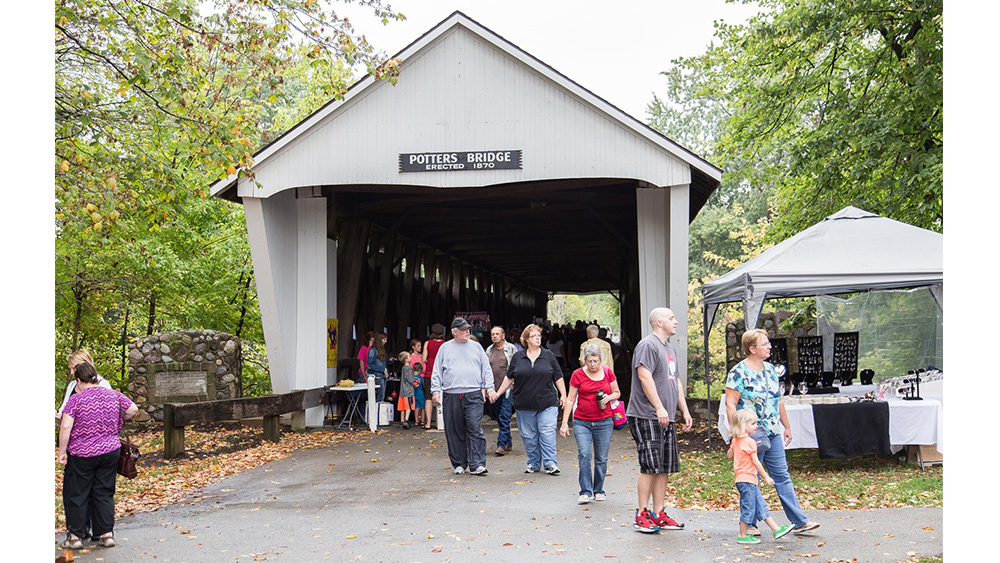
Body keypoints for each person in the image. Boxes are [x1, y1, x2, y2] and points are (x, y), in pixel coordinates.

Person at [725, 328, 820, 536]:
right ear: (752, 349)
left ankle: (800, 521)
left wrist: (786, 426)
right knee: (751, 478)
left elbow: (778, 400)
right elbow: (730, 403)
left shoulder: (770, 370)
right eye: (765, 343)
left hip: (773, 430)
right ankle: (750, 524)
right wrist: (737, 431)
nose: (770, 346)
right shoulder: (738, 372)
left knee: (781, 475)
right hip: (750, 433)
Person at [626, 307, 693, 533]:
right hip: (647, 414)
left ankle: (659, 512)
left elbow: (676, 381)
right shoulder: (648, 345)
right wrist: (659, 407)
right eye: (671, 318)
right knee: (650, 466)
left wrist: (684, 410)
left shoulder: (669, 348)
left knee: (663, 467)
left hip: (666, 417)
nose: (675, 321)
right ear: (658, 323)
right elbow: (644, 376)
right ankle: (642, 513)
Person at [58, 362, 139, 549]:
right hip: (110, 451)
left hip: (82, 453)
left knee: (77, 494)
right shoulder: (113, 394)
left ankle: (76, 538)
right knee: (104, 493)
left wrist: (62, 452)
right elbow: (133, 409)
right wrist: (118, 419)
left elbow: (66, 426)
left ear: (79, 380)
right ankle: (107, 535)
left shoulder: (76, 400)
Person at [492, 323, 567, 475]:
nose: (538, 338)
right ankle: (533, 463)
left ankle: (550, 463)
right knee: (529, 436)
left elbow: (558, 377)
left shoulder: (549, 356)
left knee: (547, 432)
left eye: (539, 336)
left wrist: (563, 395)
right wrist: (498, 393)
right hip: (524, 403)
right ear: (526, 339)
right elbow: (509, 377)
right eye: (534, 336)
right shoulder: (518, 357)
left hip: (547, 402)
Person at [431, 317, 495, 475]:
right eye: (464, 329)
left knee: (474, 427)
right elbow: (437, 371)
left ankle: (477, 464)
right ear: (454, 332)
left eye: (468, 328)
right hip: (451, 394)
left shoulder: (476, 347)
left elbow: (486, 368)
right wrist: (435, 390)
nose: (468, 331)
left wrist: (490, 388)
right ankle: (459, 463)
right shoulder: (445, 348)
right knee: (454, 429)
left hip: (473, 393)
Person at [560, 343, 620, 504]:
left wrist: (609, 397)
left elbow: (617, 392)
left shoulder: (608, 372)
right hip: (582, 421)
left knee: (601, 458)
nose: (593, 365)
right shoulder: (577, 374)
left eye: (595, 361)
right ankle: (585, 491)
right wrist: (565, 423)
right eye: (589, 361)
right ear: (584, 361)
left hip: (604, 421)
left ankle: (598, 489)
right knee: (584, 455)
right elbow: (571, 399)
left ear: (601, 360)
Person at [728, 409, 795, 544]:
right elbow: (756, 462)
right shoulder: (750, 442)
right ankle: (742, 535)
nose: (756, 426)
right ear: (743, 425)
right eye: (753, 423)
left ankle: (776, 529)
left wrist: (732, 445)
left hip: (741, 478)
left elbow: (729, 455)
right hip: (748, 479)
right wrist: (766, 477)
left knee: (759, 504)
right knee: (748, 508)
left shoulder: (736, 440)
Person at [485, 325, 517, 456]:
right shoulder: (489, 350)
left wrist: (514, 382)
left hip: (508, 389)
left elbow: (516, 367)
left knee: (504, 415)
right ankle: (508, 441)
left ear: (503, 335)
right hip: (493, 389)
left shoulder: (511, 349)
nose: (494, 336)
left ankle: (501, 445)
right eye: (492, 334)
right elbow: (485, 369)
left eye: (497, 334)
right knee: (498, 416)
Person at [57, 350, 113, 422]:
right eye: (70, 369)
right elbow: (63, 410)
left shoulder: (103, 384)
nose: (71, 373)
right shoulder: (72, 385)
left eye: (73, 369)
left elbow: (108, 413)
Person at [422, 323, 446, 429]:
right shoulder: (445, 344)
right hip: (442, 374)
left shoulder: (427, 343)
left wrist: (430, 360)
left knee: (428, 398)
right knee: (439, 398)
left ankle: (427, 423)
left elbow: (423, 359)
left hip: (429, 373)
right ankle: (438, 422)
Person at [367, 332, 390, 403]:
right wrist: (382, 369)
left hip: (382, 376)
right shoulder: (373, 351)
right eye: (384, 339)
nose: (385, 342)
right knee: (380, 397)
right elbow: (370, 365)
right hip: (377, 376)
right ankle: (377, 413)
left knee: (382, 396)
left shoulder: (380, 350)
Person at [408, 340, 426, 425]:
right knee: (418, 405)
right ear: (413, 347)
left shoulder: (423, 356)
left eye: (420, 346)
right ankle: (418, 420)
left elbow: (425, 367)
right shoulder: (410, 357)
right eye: (418, 346)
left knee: (420, 404)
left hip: (422, 378)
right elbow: (412, 368)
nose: (420, 347)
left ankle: (419, 420)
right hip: (415, 380)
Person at [397, 351, 416, 429]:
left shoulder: (403, 368)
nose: (410, 357)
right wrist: (415, 384)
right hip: (408, 391)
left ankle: (401, 420)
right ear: (406, 359)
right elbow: (410, 380)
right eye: (409, 356)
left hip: (402, 391)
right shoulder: (409, 369)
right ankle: (406, 420)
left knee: (402, 407)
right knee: (408, 407)